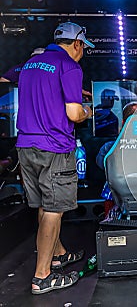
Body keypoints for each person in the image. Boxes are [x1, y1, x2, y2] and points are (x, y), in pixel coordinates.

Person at [16, 22, 94, 295]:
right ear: (77, 43)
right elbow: (73, 114)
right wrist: (88, 111)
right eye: (83, 47)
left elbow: (44, 96)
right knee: (53, 209)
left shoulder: (30, 65)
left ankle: (58, 254)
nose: (82, 52)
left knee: (43, 206)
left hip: (26, 145)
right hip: (54, 147)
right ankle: (42, 276)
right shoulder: (70, 66)